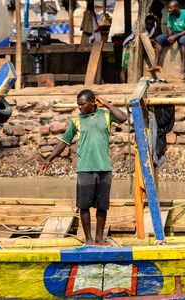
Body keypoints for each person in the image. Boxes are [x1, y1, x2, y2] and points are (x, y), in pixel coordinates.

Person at [40, 90, 127, 246]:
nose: (80, 107)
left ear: (93, 102)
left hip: (104, 167)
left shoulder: (106, 115)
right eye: (78, 104)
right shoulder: (76, 120)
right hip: (85, 168)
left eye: (83, 104)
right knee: (84, 205)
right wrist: (49, 159)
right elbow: (63, 142)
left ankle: (99, 239)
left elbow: (123, 118)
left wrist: (105, 103)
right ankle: (88, 240)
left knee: (102, 205)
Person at [147, 0, 185, 76]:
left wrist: (175, 36)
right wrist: (170, 37)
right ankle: (156, 63)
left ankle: (183, 65)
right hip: (176, 32)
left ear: (176, 8)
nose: (169, 10)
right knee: (159, 39)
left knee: (182, 40)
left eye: (171, 8)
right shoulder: (170, 14)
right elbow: (169, 28)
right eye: (168, 8)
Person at [121, 15, 162, 83]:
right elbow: (139, 39)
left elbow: (156, 37)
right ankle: (123, 86)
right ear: (145, 23)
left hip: (139, 47)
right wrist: (151, 40)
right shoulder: (141, 28)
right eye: (148, 24)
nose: (149, 26)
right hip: (128, 46)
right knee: (125, 69)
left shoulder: (155, 25)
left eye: (151, 25)